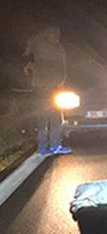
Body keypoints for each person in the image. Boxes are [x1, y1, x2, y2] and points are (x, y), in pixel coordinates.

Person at [24, 25, 71, 155]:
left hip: (55, 87)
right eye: (53, 33)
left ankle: (55, 145)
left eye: (58, 33)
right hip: (41, 87)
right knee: (43, 118)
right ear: (47, 33)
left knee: (55, 117)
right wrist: (28, 64)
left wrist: (62, 83)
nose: (56, 35)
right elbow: (27, 54)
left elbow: (63, 68)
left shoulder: (60, 49)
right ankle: (43, 147)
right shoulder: (39, 45)